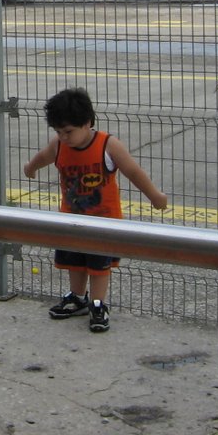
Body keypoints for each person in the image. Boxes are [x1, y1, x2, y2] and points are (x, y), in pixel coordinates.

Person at [23, 88, 167, 332]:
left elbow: (133, 171)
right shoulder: (58, 146)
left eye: (68, 131)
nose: (64, 137)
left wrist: (154, 195)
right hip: (71, 218)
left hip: (103, 221)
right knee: (75, 261)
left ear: (87, 123)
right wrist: (31, 167)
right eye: (58, 132)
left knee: (99, 266)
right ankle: (77, 297)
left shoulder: (107, 145)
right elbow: (44, 156)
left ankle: (97, 303)